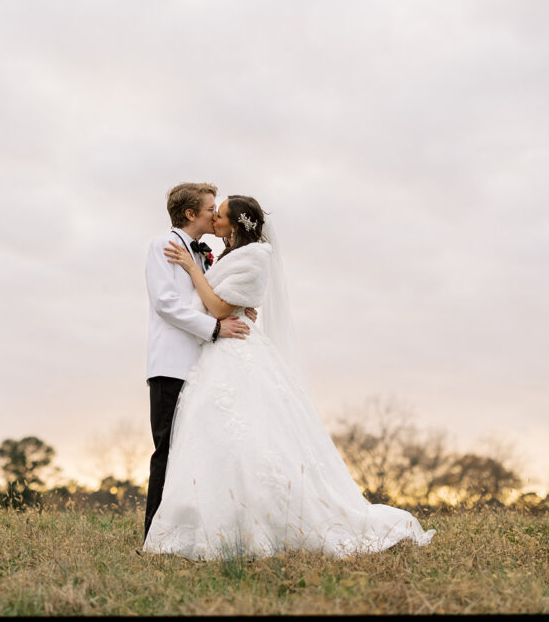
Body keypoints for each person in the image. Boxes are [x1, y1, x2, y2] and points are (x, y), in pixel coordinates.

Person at [142, 195, 435, 560]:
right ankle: (213, 518)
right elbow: (206, 301)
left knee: (246, 439)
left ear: (234, 224)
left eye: (219, 214)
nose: (214, 217)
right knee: (219, 443)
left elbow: (217, 306)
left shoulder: (252, 256)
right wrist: (221, 300)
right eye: (211, 211)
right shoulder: (215, 253)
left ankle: (260, 521)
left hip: (233, 351)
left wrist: (200, 277)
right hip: (212, 353)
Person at [143, 182, 257, 542]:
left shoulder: (205, 254)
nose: (216, 214)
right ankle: (154, 534)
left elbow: (209, 297)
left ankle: (193, 532)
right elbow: (167, 304)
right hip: (172, 364)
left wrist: (238, 307)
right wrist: (215, 327)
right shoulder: (162, 246)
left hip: (204, 366)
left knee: (201, 448)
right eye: (210, 209)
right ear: (191, 214)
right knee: (168, 449)